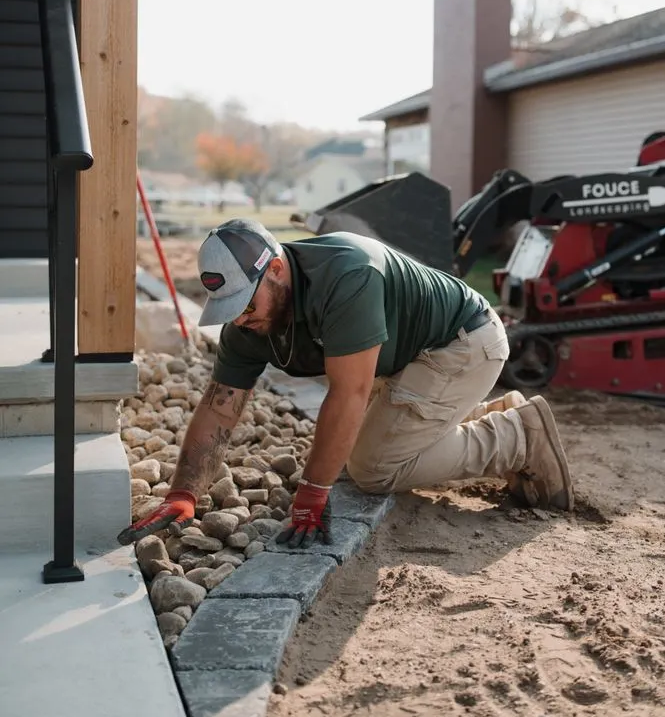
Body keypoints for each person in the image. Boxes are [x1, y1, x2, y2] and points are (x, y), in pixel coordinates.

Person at [117, 218, 573, 549]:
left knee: (373, 470)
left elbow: (348, 394)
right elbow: (219, 408)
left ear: (275, 268)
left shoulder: (345, 277)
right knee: (358, 457)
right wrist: (183, 493)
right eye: (229, 306)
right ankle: (493, 416)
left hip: (462, 342)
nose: (240, 317)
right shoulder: (249, 324)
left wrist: (312, 495)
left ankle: (518, 437)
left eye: (245, 302)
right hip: (404, 358)